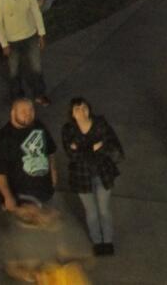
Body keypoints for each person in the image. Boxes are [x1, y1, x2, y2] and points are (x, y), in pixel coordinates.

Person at [62, 97, 123, 256]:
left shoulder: (100, 124)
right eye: (77, 109)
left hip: (103, 174)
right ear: (72, 114)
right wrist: (94, 147)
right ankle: (97, 241)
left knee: (103, 210)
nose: (81, 111)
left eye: (84, 107)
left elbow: (111, 145)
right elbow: (72, 154)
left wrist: (82, 148)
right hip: (82, 176)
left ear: (89, 109)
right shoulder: (68, 129)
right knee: (91, 212)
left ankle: (107, 241)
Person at [0, 0, 48, 105]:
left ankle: (39, 94)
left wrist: (41, 33)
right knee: (14, 71)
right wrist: (4, 44)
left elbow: (36, 12)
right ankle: (18, 97)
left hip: (30, 36)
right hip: (12, 41)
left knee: (36, 67)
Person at [0, 99, 57, 209]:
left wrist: (53, 172)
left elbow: (50, 151)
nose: (28, 114)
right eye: (23, 111)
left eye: (31, 110)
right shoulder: (2, 139)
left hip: (45, 193)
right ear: (13, 113)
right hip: (21, 199)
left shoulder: (39, 127)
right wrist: (7, 197)